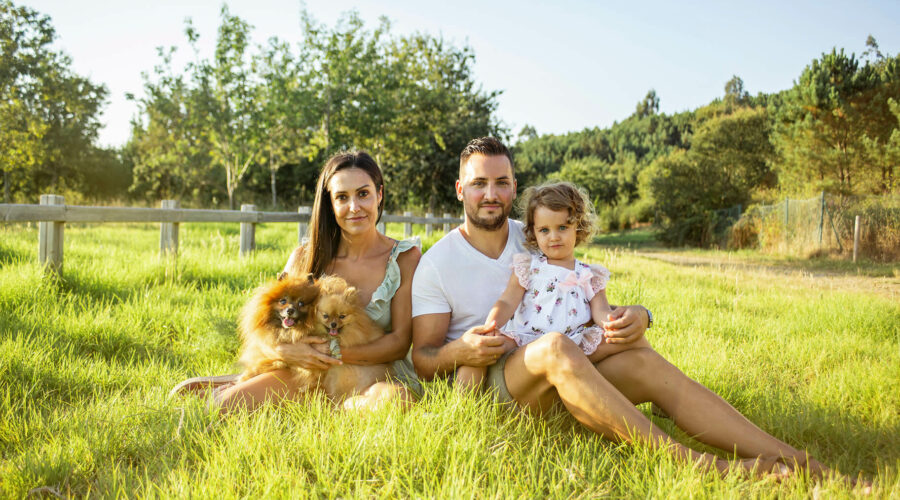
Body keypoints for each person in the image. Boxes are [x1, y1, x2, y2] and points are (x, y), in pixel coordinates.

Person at [411, 136, 833, 478]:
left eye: (501, 182)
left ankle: (798, 461)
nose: (490, 193)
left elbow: (586, 297)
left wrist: (640, 316)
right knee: (556, 346)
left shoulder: (542, 232)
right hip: (505, 383)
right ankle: (702, 466)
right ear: (460, 189)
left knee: (641, 358)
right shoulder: (438, 264)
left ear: (514, 188)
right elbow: (424, 360)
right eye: (479, 184)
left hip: (569, 365)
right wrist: (461, 351)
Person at [175, 151, 421, 413]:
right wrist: (283, 352)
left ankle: (329, 411)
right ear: (330, 203)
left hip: (373, 374)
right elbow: (267, 325)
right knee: (223, 407)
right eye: (342, 197)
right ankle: (245, 388)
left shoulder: (404, 258)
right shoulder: (305, 257)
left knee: (396, 402)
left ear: (379, 194)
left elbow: (398, 343)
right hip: (307, 374)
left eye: (363, 194)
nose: (354, 207)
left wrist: (328, 355)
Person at [456, 181, 640, 390]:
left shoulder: (589, 274)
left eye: (562, 227)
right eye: (544, 230)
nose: (553, 237)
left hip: (574, 343)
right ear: (534, 232)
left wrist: (613, 324)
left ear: (578, 228)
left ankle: (655, 387)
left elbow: (601, 310)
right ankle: (463, 404)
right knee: (481, 349)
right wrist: (492, 324)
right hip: (527, 340)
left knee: (632, 338)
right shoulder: (529, 267)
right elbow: (508, 300)